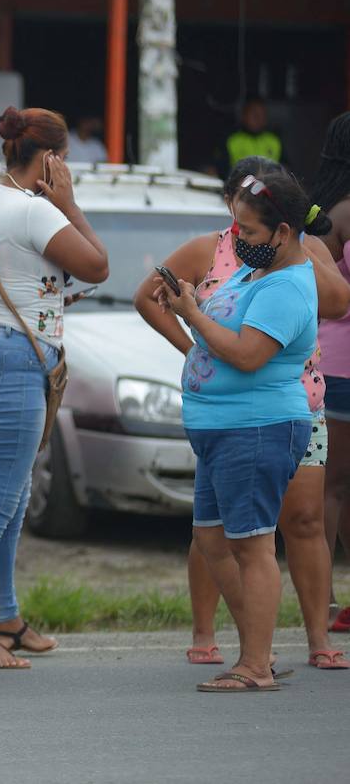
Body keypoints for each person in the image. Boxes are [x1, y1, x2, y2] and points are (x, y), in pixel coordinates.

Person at [136, 156, 350, 672]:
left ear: (280, 229)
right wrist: (193, 331)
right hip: (224, 422)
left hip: (264, 418)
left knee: (270, 535)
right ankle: (255, 646)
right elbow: (173, 305)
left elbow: (252, 351)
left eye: (248, 227)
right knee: (215, 536)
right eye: (234, 222)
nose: (237, 235)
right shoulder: (245, 265)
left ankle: (259, 660)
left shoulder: (288, 274)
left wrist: (192, 319)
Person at [0, 106, 108, 669]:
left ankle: (6, 619)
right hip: (12, 364)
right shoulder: (36, 211)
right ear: (53, 158)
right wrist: (67, 203)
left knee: (11, 499)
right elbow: (98, 265)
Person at [299, 109, 350, 633]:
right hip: (346, 368)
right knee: (335, 487)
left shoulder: (323, 209)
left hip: (327, 360)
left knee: (336, 486)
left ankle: (331, 602)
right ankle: (331, 606)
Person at [218, 97, 283, 178]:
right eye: (254, 114)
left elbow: (286, 170)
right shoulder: (232, 140)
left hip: (270, 187)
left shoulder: (274, 141)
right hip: (239, 187)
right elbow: (220, 171)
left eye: (262, 114)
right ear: (243, 115)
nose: (258, 118)